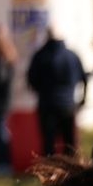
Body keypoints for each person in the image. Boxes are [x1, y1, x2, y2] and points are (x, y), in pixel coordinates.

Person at [26, 27, 86, 156]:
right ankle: (72, 166)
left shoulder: (40, 55)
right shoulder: (72, 56)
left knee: (49, 142)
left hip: (47, 104)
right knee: (70, 142)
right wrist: (82, 99)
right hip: (68, 104)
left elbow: (31, 79)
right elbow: (84, 78)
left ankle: (49, 167)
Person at [0, 24, 16, 175]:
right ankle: (3, 163)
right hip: (2, 102)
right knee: (0, 132)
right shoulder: (8, 55)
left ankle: (4, 164)